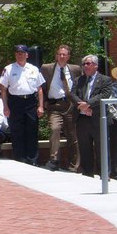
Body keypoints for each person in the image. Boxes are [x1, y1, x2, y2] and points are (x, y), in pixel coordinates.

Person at [0, 45, 45, 166]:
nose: (20, 55)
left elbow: (39, 89)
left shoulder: (34, 69)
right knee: (17, 131)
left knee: (32, 130)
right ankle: (19, 159)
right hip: (15, 102)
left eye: (22, 53)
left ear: (27, 55)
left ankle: (32, 159)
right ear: (15, 55)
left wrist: (40, 106)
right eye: (18, 53)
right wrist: (5, 106)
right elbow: (3, 89)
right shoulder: (8, 69)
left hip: (30, 102)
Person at [68, 54, 112, 178]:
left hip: (98, 118)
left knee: (101, 148)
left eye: (88, 63)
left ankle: (104, 175)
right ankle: (87, 174)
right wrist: (82, 106)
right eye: (84, 64)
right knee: (84, 148)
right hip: (82, 119)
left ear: (96, 65)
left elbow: (105, 95)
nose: (85, 66)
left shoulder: (105, 80)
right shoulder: (78, 80)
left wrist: (88, 104)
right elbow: (72, 94)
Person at [40, 44, 81, 172]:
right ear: (56, 56)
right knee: (54, 129)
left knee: (72, 134)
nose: (61, 56)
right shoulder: (46, 68)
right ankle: (53, 160)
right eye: (59, 54)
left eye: (64, 54)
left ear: (68, 56)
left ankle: (74, 165)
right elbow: (41, 86)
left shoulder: (76, 69)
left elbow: (80, 86)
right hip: (55, 106)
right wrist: (43, 103)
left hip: (70, 105)